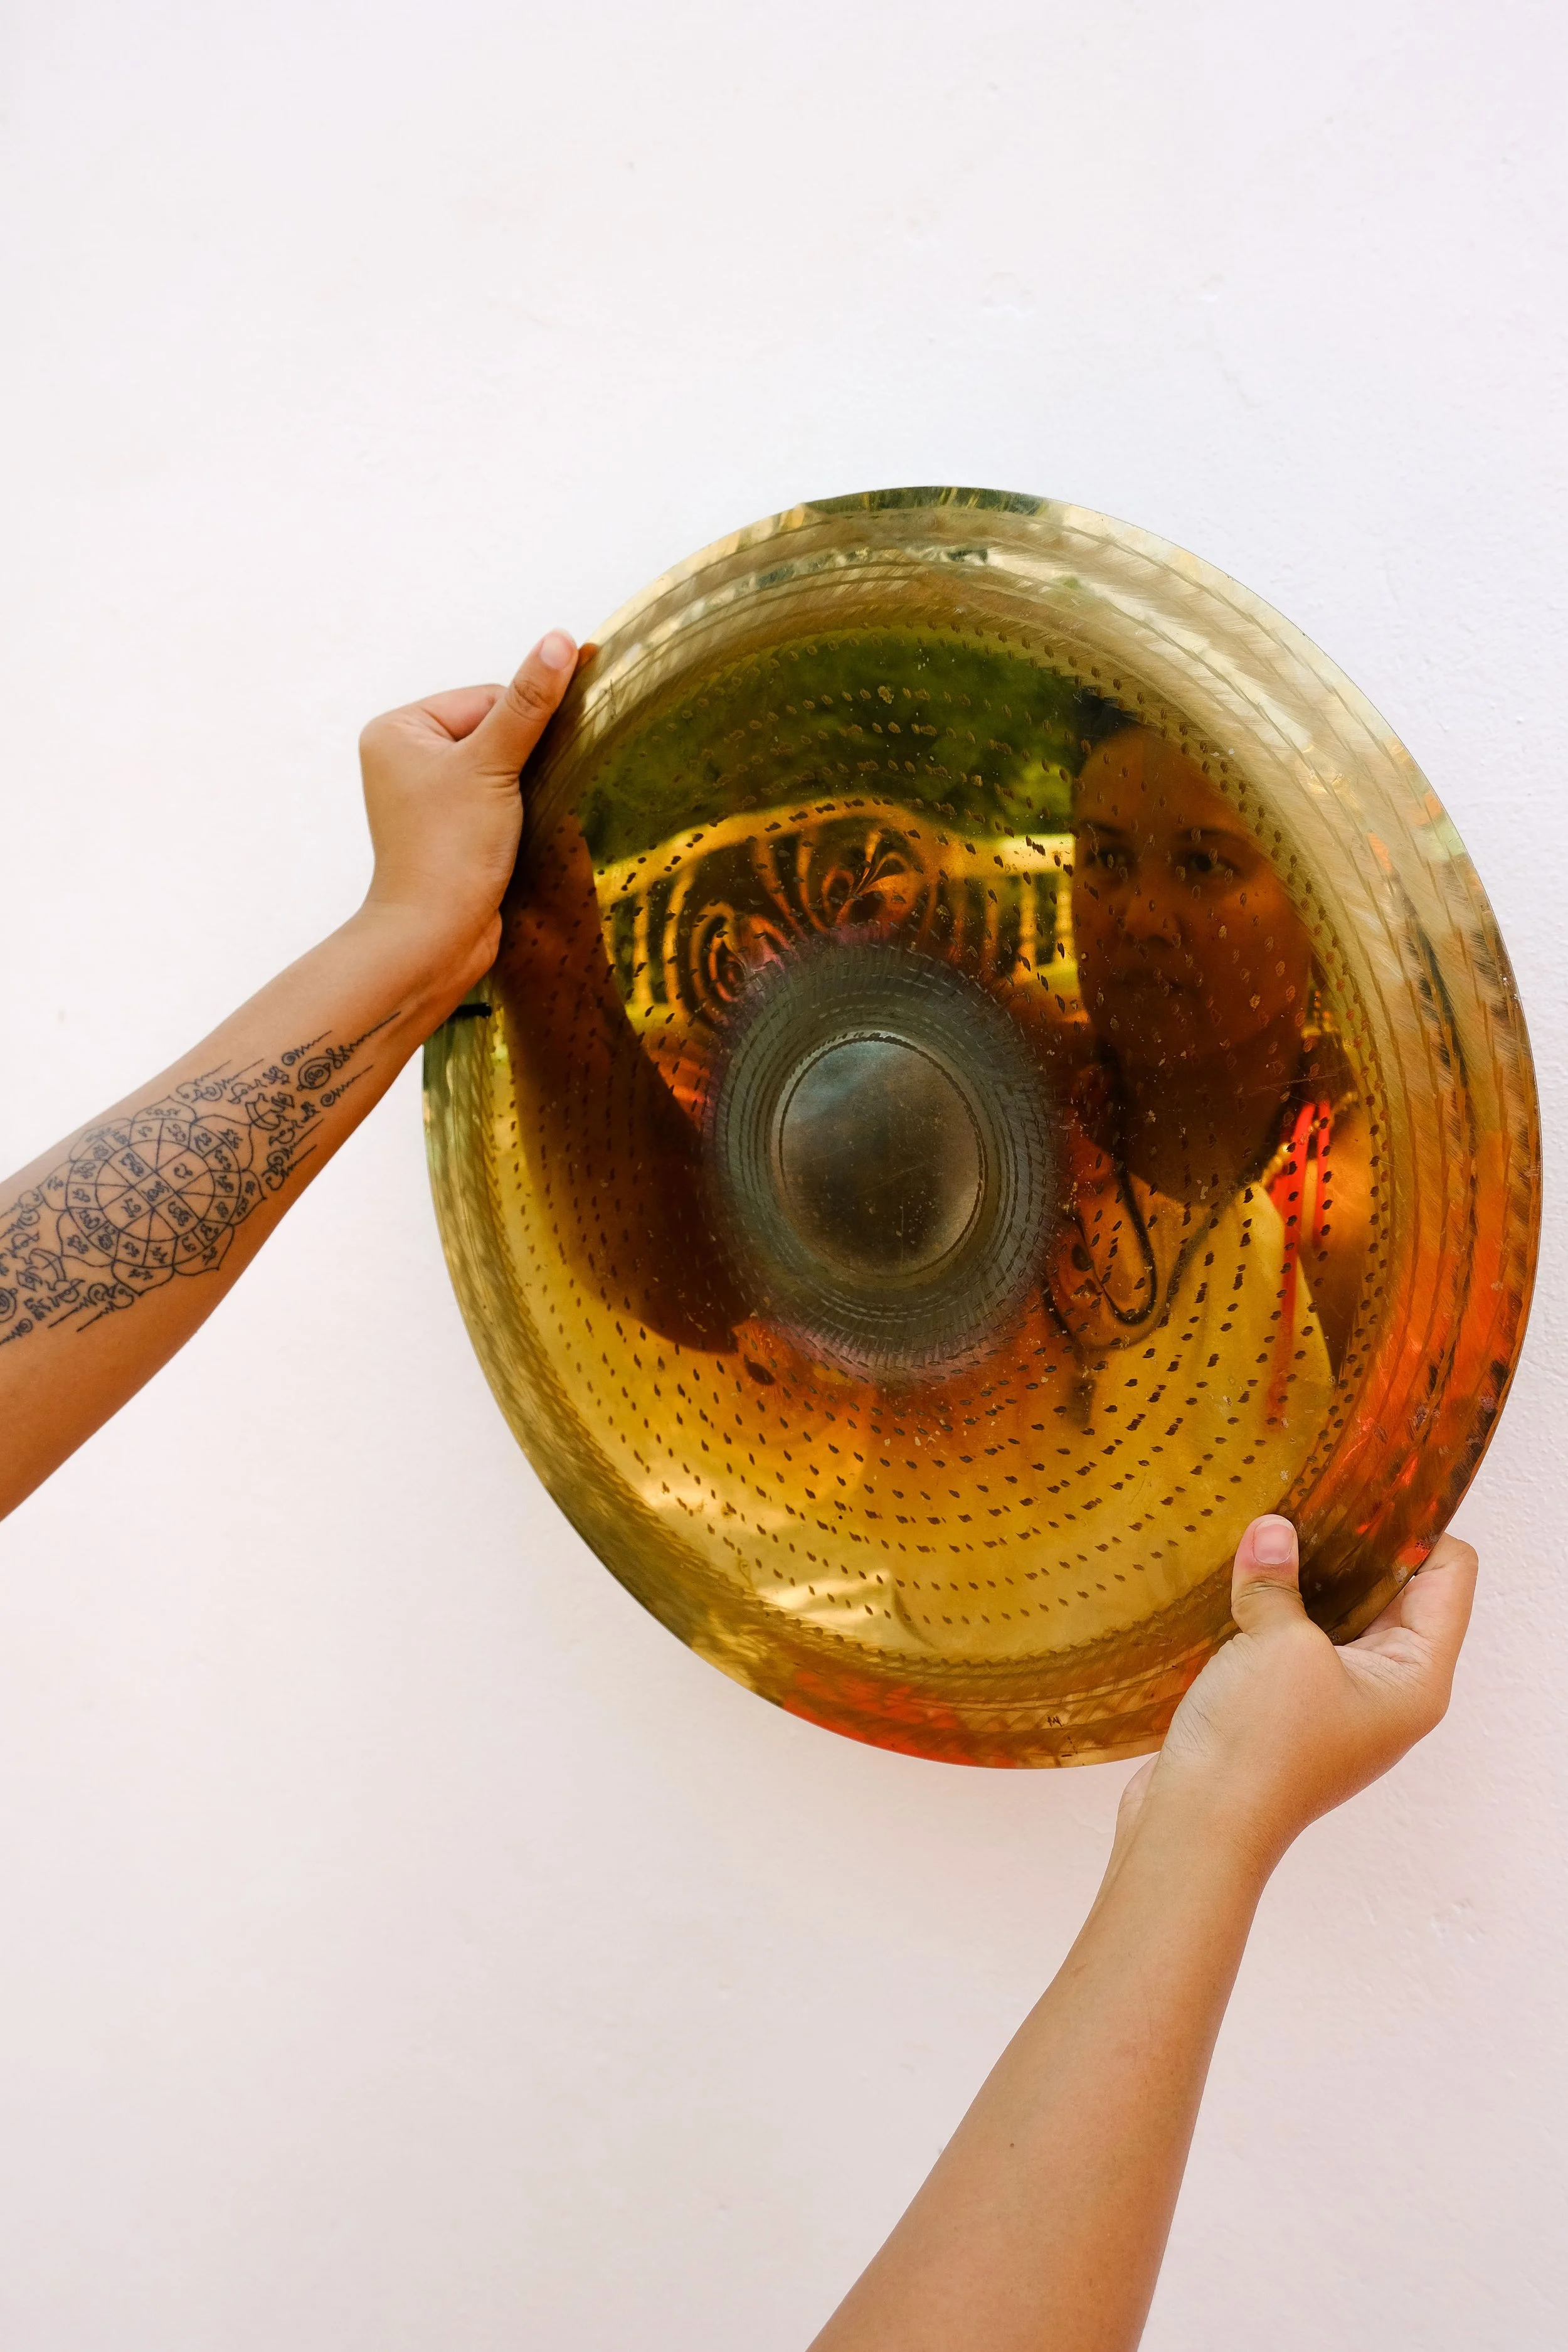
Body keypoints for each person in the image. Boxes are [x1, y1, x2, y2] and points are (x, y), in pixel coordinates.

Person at [0, 636, 1477, 2351]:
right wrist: (1209, 1822)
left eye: (1203, 862)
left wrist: (409, 940)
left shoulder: (1350, 1219)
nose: (1138, 912)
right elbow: (699, 1281)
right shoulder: (1025, 1111)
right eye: (1111, 860)